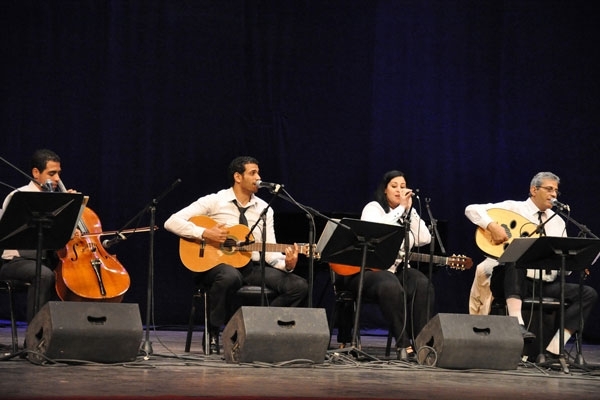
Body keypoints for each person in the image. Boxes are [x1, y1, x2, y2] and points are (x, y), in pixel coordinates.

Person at [164, 156, 308, 354]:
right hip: (214, 266)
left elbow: (269, 251)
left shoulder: (265, 209)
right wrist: (204, 233)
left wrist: (287, 264)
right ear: (238, 177)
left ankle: (258, 328)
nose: (258, 178)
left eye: (258, 173)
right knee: (230, 276)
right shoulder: (214, 201)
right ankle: (213, 331)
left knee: (298, 286)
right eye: (253, 173)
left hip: (250, 267)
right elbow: (171, 222)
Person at [465, 171, 598, 358]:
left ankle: (555, 348)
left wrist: (576, 262)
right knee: (516, 257)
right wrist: (492, 226)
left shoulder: (558, 221)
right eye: (549, 189)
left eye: (556, 191)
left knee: (588, 293)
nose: (554, 194)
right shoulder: (513, 208)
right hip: (510, 279)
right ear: (534, 190)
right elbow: (471, 209)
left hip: (544, 284)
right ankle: (517, 323)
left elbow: (562, 267)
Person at [335, 170, 434, 361]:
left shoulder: (407, 212)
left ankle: (422, 344)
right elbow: (375, 231)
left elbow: (424, 238)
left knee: (423, 284)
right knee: (389, 283)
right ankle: (403, 344)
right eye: (394, 186)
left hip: (394, 271)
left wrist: (409, 211)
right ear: (385, 190)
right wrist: (399, 209)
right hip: (365, 272)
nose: (399, 190)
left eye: (403, 186)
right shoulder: (373, 208)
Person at [1, 149, 80, 322]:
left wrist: (72, 212)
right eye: (52, 173)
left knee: (72, 276)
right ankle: (34, 333)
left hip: (46, 260)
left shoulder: (59, 201)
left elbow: (59, 238)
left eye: (58, 173)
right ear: (36, 173)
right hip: (16, 261)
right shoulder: (19, 196)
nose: (57, 179)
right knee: (44, 275)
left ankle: (67, 330)